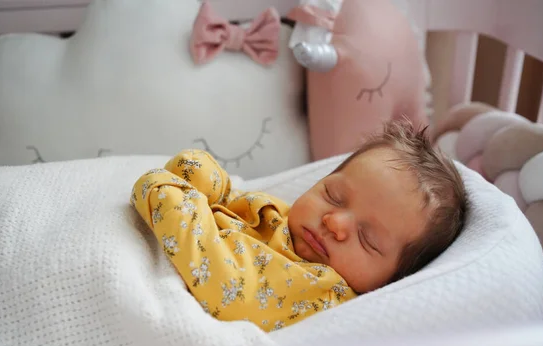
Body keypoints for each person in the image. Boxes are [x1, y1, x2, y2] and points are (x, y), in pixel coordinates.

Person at [130, 120, 467, 332]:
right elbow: (232, 203)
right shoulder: (283, 218)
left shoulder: (325, 292)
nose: (334, 222)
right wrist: (205, 179)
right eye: (333, 196)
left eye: (367, 239)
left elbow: (232, 292)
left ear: (391, 280)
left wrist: (170, 197)